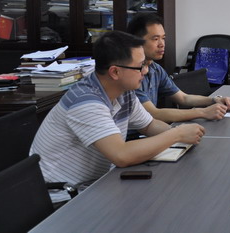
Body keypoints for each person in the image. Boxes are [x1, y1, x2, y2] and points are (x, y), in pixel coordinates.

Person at [30, 31, 205, 204]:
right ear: (115, 72)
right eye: (140, 66)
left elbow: (149, 125)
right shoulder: (85, 102)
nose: (145, 71)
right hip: (62, 198)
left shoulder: (124, 92)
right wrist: (177, 134)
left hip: (98, 184)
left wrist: (185, 135)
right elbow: (122, 155)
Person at [127, 13, 230, 123]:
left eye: (163, 38)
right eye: (155, 39)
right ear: (136, 41)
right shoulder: (130, 74)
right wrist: (203, 112)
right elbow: (153, 114)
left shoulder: (156, 69)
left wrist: (214, 100)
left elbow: (183, 98)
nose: (162, 44)